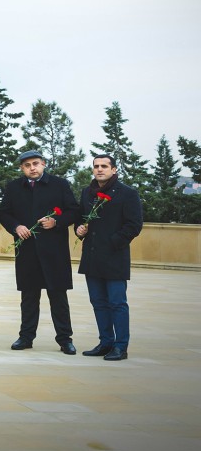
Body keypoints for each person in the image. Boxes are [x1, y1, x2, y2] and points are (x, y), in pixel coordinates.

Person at [0, 150, 81, 354]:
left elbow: (73, 211)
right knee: (28, 297)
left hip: (54, 251)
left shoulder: (59, 185)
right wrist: (16, 226)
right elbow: (4, 213)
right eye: (27, 165)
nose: (32, 168)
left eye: (36, 163)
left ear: (44, 164)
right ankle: (26, 337)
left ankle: (65, 340)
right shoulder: (13, 187)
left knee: (58, 297)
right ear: (22, 168)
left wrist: (56, 221)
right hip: (27, 250)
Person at [75, 154, 143, 361]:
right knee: (98, 302)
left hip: (114, 257)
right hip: (92, 257)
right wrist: (78, 230)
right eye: (96, 166)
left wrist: (113, 242)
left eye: (104, 166)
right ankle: (105, 342)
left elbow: (134, 225)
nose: (99, 169)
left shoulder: (127, 193)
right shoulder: (87, 192)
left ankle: (120, 346)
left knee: (117, 303)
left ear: (114, 169)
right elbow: (80, 219)